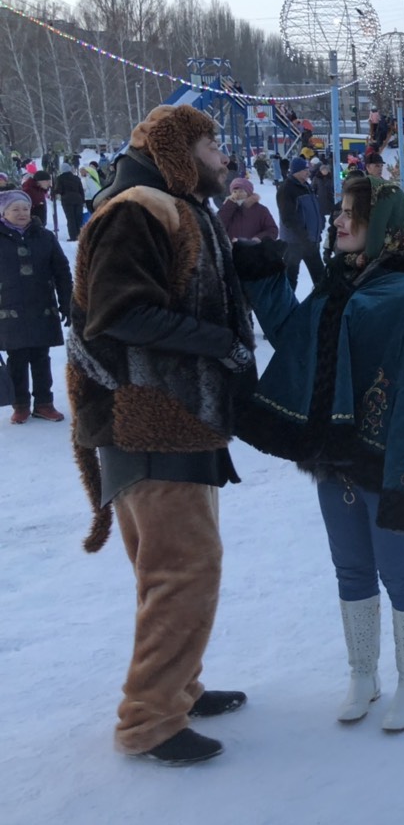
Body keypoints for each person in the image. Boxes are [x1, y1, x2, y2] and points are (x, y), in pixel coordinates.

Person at [65, 104, 257, 766]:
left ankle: (177, 685)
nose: (223, 157)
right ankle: (149, 719)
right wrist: (222, 345)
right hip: (149, 415)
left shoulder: (173, 203)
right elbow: (118, 313)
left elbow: (185, 281)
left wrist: (257, 261)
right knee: (183, 572)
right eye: (211, 145)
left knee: (166, 570)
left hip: (167, 414)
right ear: (180, 146)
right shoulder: (137, 207)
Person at [233, 177, 404, 733]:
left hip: (388, 462)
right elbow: (296, 338)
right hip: (334, 455)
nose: (338, 222)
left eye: (352, 214)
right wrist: (264, 278)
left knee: (398, 572)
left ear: (383, 226)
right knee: (350, 568)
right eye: (339, 213)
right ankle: (362, 673)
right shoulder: (337, 287)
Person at [0, 189, 71, 423]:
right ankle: (20, 405)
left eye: (25, 208)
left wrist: (67, 303)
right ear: (4, 212)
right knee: (16, 358)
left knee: (41, 357)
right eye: (15, 209)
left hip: (41, 306)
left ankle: (44, 403)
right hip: (8, 309)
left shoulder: (45, 237)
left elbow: (62, 272)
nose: (21, 213)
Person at [278, 156, 323, 290]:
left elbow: (313, 209)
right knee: (290, 278)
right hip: (294, 243)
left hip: (310, 241)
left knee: (320, 277)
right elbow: (288, 218)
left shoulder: (305, 186)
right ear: (296, 171)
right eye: (305, 170)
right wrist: (303, 236)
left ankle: (323, 306)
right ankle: (287, 307)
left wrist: (319, 226)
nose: (308, 172)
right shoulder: (287, 188)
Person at [217, 177, 279, 243]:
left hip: (253, 250)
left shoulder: (261, 210)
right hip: (232, 249)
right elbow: (218, 225)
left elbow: (272, 230)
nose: (237, 194)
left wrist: (258, 238)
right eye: (234, 191)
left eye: (241, 191)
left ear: (248, 193)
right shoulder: (227, 208)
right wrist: (230, 204)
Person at [55, 162, 87, 240]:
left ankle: (73, 236)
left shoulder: (60, 178)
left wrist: (53, 191)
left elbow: (59, 190)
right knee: (78, 218)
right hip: (78, 199)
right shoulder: (76, 178)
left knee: (71, 218)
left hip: (67, 200)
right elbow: (81, 190)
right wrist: (83, 200)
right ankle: (81, 235)